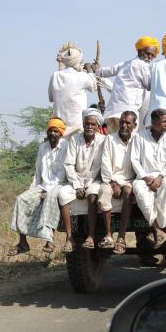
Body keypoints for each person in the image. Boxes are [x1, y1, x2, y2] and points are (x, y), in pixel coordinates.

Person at [8, 118, 68, 256]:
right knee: (21, 199)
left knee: (50, 198)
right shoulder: (43, 147)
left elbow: (62, 175)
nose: (52, 134)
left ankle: (50, 240)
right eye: (50, 131)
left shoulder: (66, 146)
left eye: (55, 131)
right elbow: (38, 172)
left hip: (60, 184)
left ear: (61, 133)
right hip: (42, 185)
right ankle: (23, 242)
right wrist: (33, 189)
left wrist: (46, 191)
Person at [131, 109, 166, 249]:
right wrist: (146, 178)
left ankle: (158, 228)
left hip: (165, 175)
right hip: (144, 176)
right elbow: (134, 160)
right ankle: (158, 230)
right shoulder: (140, 137)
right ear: (153, 122)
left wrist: (160, 177)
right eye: (164, 121)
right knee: (139, 192)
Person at [58, 108, 105, 252]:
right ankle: (69, 238)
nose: (89, 127)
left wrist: (86, 185)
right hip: (76, 180)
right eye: (87, 124)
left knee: (92, 194)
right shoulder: (74, 139)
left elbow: (99, 167)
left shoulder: (103, 141)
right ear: (83, 124)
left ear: (98, 127)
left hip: (93, 180)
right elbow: (68, 164)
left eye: (92, 124)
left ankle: (90, 236)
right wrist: (77, 185)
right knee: (62, 195)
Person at [94, 36, 159, 133]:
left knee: (114, 141)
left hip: (112, 112)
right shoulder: (143, 66)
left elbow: (105, 72)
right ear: (140, 51)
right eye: (149, 54)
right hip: (128, 113)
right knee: (128, 144)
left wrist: (97, 70)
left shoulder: (125, 64)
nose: (150, 58)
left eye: (153, 56)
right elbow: (149, 85)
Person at [97, 111, 138, 254]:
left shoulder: (137, 140)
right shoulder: (110, 139)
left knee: (127, 191)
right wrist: (112, 183)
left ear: (134, 125)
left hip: (130, 180)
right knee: (104, 193)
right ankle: (108, 235)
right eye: (122, 122)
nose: (124, 125)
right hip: (111, 179)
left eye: (128, 123)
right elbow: (105, 162)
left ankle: (121, 237)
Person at [48, 43, 97, 137]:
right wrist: (90, 70)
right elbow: (94, 86)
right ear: (78, 61)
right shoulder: (82, 76)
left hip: (60, 128)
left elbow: (51, 98)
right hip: (78, 128)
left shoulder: (55, 76)